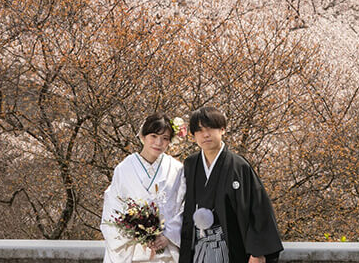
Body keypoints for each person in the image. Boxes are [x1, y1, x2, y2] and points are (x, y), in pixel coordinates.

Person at [179, 106, 283, 263]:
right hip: (197, 244)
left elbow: (259, 208)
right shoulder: (190, 164)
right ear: (193, 135)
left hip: (229, 246)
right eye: (199, 130)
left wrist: (257, 252)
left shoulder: (238, 166)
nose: (205, 134)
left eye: (210, 128)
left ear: (222, 130)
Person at [101, 114, 186, 263]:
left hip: (166, 250)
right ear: (143, 136)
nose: (158, 142)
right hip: (133, 250)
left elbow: (184, 207)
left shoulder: (177, 169)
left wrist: (169, 235)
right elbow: (112, 208)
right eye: (153, 136)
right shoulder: (124, 169)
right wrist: (137, 234)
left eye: (165, 138)